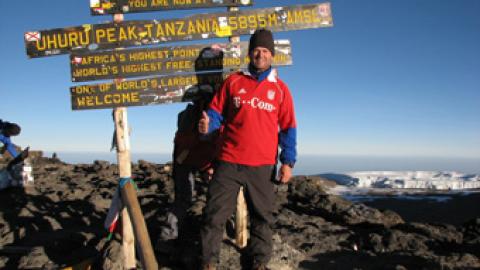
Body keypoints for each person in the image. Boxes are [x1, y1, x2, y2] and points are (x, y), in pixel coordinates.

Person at [198, 29, 297, 270]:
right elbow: (216, 113)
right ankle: (208, 263)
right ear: (249, 53)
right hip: (228, 161)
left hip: (262, 165)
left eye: (265, 51)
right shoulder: (233, 81)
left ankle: (259, 263)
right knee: (214, 215)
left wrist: (287, 161)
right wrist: (207, 125)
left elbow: (288, 128)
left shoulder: (281, 90)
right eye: (256, 50)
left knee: (263, 218)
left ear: (272, 55)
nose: (260, 55)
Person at [158, 92, 219, 247]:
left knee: (184, 199)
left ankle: (168, 240)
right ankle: (170, 240)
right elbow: (198, 144)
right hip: (189, 160)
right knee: (190, 199)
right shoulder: (205, 117)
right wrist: (209, 167)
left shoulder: (188, 115)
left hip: (185, 160)